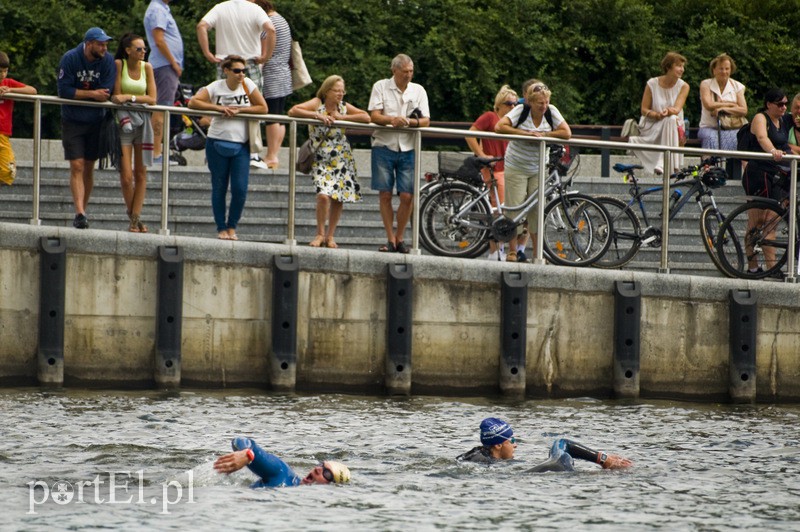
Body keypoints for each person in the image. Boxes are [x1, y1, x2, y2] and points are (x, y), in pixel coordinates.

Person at [188, 55, 268, 240]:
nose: (241, 74)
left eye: (243, 71)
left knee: (240, 189)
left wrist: (239, 110)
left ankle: (232, 226)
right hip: (216, 141)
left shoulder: (248, 84)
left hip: (241, 144)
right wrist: (218, 109)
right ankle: (221, 228)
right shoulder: (216, 86)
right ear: (226, 71)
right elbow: (193, 102)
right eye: (237, 71)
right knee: (219, 187)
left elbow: (263, 107)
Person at [288, 75, 370, 248]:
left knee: (338, 198)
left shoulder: (344, 107)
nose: (340, 94)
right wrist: (317, 115)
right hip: (320, 157)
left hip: (341, 158)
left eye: (342, 90)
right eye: (337, 90)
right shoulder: (318, 103)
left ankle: (330, 236)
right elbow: (293, 110)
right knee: (323, 196)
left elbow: (366, 117)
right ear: (327, 90)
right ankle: (319, 233)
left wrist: (343, 118)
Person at [495, 82, 571, 262]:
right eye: (540, 103)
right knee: (515, 207)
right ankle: (512, 251)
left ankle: (537, 253)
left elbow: (566, 133)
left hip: (538, 167)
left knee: (537, 210)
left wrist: (544, 136)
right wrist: (525, 134)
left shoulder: (551, 111)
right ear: (530, 102)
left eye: (546, 102)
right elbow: (500, 127)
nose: (544, 106)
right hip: (517, 165)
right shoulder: (521, 110)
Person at [197, 0, 276, 170]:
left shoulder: (220, 7)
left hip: (225, 63)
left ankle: (214, 148)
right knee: (253, 105)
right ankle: (252, 153)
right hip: (248, 63)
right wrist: (266, 56)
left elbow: (201, 26)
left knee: (220, 104)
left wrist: (208, 53)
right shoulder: (254, 9)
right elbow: (271, 29)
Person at [368, 54, 430, 254]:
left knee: (407, 196)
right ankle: (391, 238)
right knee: (385, 194)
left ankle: (400, 237)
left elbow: (426, 120)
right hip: (383, 145)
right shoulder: (380, 86)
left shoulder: (418, 90)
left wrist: (410, 122)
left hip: (408, 147)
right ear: (394, 71)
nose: (409, 75)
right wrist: (391, 120)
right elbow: (374, 116)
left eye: (411, 71)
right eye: (405, 72)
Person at [57, 27, 116, 229]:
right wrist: (91, 94)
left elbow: (107, 91)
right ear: (89, 43)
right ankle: (79, 211)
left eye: (106, 44)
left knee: (89, 167)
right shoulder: (71, 58)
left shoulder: (107, 61)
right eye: (100, 44)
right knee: (77, 165)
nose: (104, 48)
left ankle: (84, 210)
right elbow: (63, 90)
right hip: (73, 119)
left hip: (96, 121)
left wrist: (85, 94)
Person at [740, 89, 792, 278]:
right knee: (756, 222)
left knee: (771, 222)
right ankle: (753, 266)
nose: (784, 107)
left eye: (785, 103)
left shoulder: (784, 120)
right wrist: (773, 151)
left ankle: (772, 268)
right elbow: (762, 137)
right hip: (757, 173)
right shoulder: (760, 118)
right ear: (769, 104)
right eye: (780, 104)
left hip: (776, 174)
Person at [456, 417, 632, 472]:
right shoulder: (480, 462)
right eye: (512, 440)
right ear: (498, 445)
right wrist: (604, 460)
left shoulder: (476, 455)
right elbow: (563, 444)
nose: (515, 445)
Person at [110, 33, 157, 233]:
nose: (143, 52)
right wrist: (134, 98)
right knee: (126, 176)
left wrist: (131, 97)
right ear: (128, 50)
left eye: (145, 49)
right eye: (139, 49)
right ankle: (135, 220)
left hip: (143, 122)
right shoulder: (119, 64)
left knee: (141, 173)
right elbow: (116, 95)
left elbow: (153, 98)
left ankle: (134, 220)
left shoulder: (147, 67)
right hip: (123, 122)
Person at [466, 84, 518, 261]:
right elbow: (470, 134)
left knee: (505, 210)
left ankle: (504, 250)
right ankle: (497, 250)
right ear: (499, 104)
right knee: (501, 210)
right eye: (509, 103)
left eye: (515, 104)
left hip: (509, 169)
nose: (512, 107)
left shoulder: (513, 122)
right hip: (495, 169)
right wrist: (481, 155)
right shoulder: (490, 117)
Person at [628, 52, 690, 176]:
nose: (682, 69)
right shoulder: (652, 83)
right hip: (653, 125)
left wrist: (667, 112)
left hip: (674, 127)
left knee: (671, 119)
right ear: (668, 67)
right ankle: (673, 166)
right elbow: (644, 110)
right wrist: (657, 115)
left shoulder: (684, 86)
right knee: (670, 119)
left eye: (683, 66)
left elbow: (677, 109)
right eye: (678, 66)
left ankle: (662, 162)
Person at [214, 436, 350, 488]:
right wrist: (246, 453)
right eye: (321, 465)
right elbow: (241, 439)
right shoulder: (282, 473)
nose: (318, 469)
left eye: (327, 473)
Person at [143, 0, 184, 166]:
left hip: (165, 65)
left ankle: (156, 153)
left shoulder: (162, 9)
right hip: (165, 65)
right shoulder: (158, 10)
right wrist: (173, 62)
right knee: (162, 108)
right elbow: (159, 40)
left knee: (161, 108)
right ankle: (156, 154)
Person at [255, 0, 292, 169]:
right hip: (284, 74)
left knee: (271, 118)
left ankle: (271, 156)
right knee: (279, 116)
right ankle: (274, 154)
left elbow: (263, 51)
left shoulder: (269, 24)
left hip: (271, 75)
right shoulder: (281, 19)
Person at [0, 51, 37, 186]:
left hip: (3, 133)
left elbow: (32, 90)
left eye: (5, 71)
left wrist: (11, 90)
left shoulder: (8, 83)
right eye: (0, 71)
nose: (3, 75)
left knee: (8, 171)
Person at [698, 53, 747, 152]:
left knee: (740, 138)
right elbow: (708, 105)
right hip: (709, 127)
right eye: (721, 68)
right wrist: (731, 104)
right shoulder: (706, 84)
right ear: (714, 70)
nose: (724, 72)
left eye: (727, 68)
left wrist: (723, 109)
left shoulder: (738, 86)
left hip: (732, 128)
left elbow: (743, 110)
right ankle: (710, 166)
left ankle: (733, 166)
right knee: (711, 138)